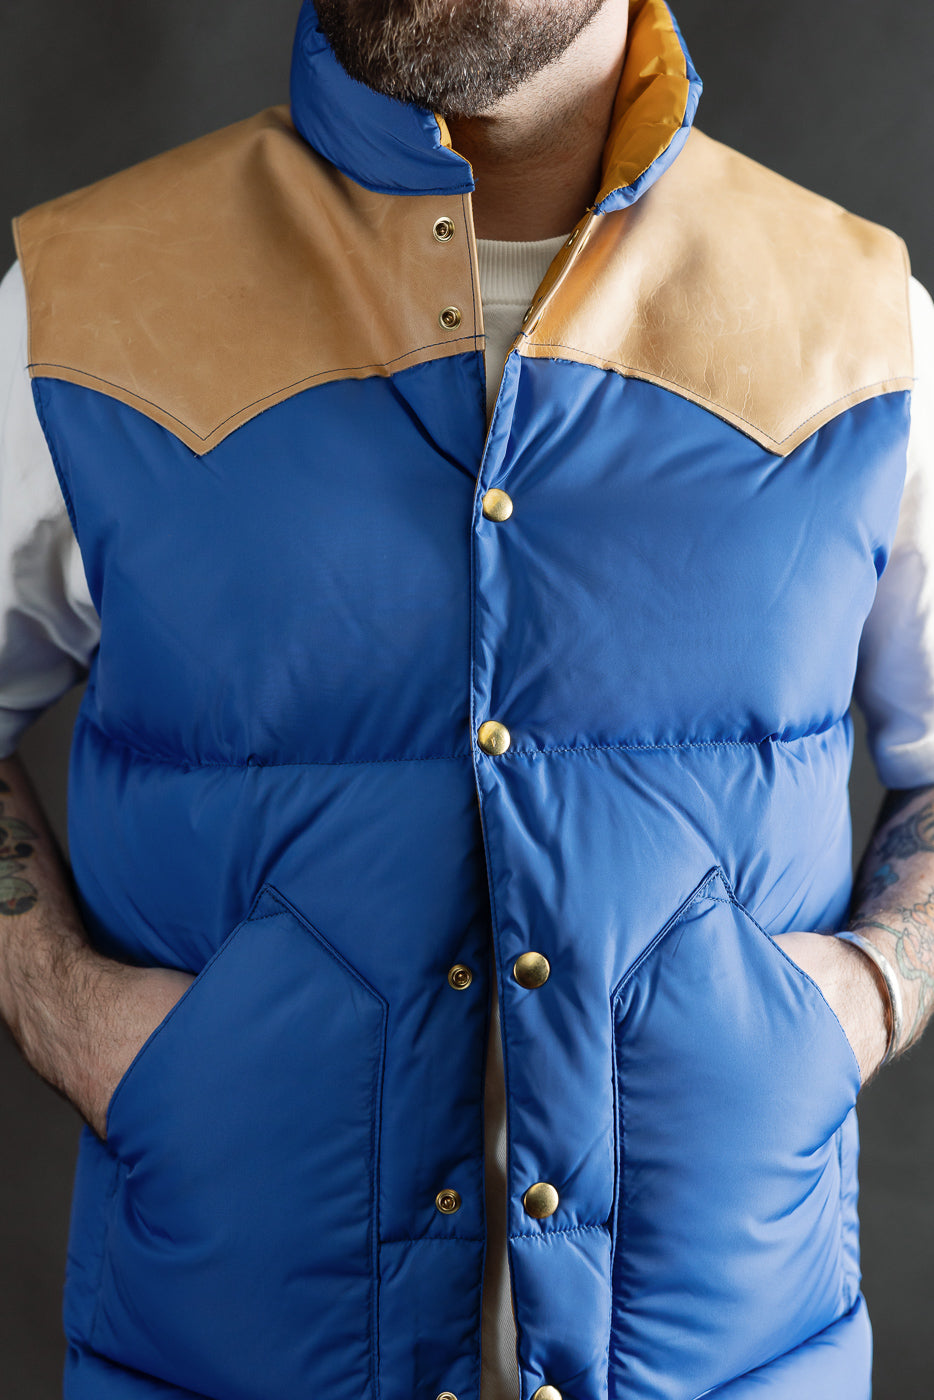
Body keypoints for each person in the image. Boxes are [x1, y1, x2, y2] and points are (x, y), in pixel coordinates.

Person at [0, 0, 932, 1395]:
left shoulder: (861, 324)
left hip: (735, 1359)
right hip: (227, 1356)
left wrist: (859, 997)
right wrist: (71, 1011)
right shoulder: (82, 303)